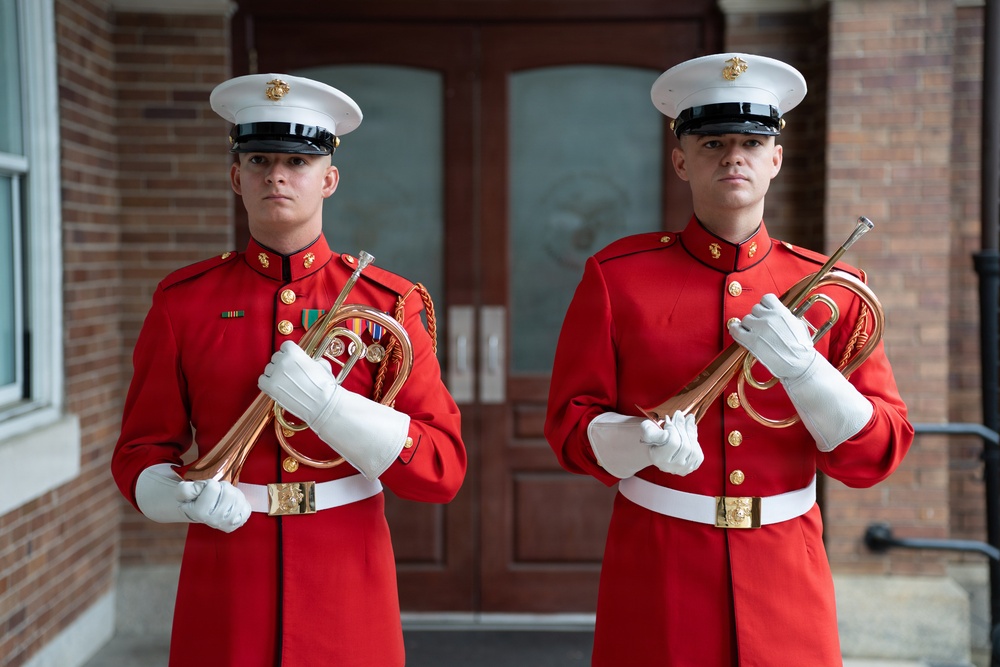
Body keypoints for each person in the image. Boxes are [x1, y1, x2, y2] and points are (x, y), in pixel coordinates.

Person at [544, 53, 914, 666]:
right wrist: (640, 440)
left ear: (776, 159)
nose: (733, 156)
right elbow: (569, 427)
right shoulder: (617, 277)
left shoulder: (835, 285)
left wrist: (808, 372)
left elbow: (878, 453)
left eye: (750, 141)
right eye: (713, 142)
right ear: (681, 160)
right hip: (659, 567)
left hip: (786, 570)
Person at [111, 73, 466, 667]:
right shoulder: (183, 302)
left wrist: (332, 409)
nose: (276, 174)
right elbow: (140, 448)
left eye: (297, 162)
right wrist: (176, 496)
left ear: (328, 179)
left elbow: (441, 470)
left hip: (347, 578)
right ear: (236, 178)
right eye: (258, 160)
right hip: (225, 575)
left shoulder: (389, 304)